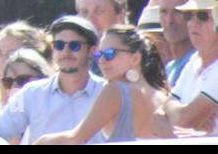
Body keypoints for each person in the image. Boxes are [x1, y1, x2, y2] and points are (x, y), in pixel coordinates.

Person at [0, 16, 105, 145]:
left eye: (74, 46)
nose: (66, 51)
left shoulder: (107, 92)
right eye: (59, 45)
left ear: (91, 51)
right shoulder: (32, 93)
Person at [33, 25, 174, 143]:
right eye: (99, 55)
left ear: (135, 58)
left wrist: (40, 141)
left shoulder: (115, 90)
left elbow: (76, 138)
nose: (101, 61)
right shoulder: (161, 95)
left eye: (110, 53)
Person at [165, 0, 218, 134]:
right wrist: (178, 114)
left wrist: (170, 111)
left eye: (202, 16)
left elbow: (183, 121)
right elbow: (155, 120)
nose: (193, 23)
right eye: (189, 15)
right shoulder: (194, 62)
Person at [157, 0, 196, 81]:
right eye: (164, 12)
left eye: (177, 12)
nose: (169, 20)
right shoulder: (169, 69)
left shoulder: (198, 64)